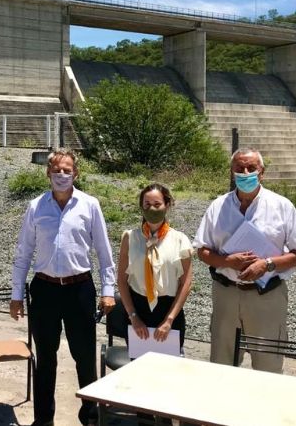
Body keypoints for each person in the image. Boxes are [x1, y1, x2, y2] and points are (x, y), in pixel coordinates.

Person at [10, 148, 116, 426]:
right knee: (45, 357)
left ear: (76, 173)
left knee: (84, 356)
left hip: (78, 289)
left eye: (67, 170)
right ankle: (43, 419)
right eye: (56, 169)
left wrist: (107, 292)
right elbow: (23, 253)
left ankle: (90, 416)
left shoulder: (89, 205)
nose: (61, 174)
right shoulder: (36, 206)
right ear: (47, 173)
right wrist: (16, 295)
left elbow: (105, 254)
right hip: (44, 290)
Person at [193, 148, 296, 373]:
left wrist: (267, 264)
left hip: (266, 296)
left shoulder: (282, 206)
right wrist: (228, 261)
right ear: (232, 172)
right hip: (226, 293)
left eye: (251, 168)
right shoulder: (218, 207)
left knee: (268, 365)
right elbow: (202, 251)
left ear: (262, 172)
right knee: (222, 364)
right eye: (239, 168)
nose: (245, 173)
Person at [117, 183, 193, 350]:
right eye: (147, 204)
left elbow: (186, 282)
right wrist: (133, 316)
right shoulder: (130, 238)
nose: (152, 208)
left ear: (167, 205)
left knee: (167, 371)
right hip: (138, 311)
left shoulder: (180, 240)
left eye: (157, 204)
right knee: (139, 368)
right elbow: (122, 280)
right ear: (141, 207)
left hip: (168, 311)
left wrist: (169, 320)